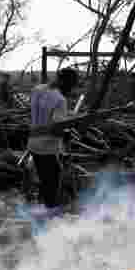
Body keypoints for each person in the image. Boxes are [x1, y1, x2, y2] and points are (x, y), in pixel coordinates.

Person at [28, 68, 80, 210]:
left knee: (44, 179)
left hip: (32, 144)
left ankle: (40, 206)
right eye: (70, 85)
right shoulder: (60, 100)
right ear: (64, 82)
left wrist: (67, 116)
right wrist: (67, 133)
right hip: (47, 148)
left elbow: (41, 111)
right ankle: (48, 213)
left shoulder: (37, 90)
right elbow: (57, 129)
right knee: (51, 183)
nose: (71, 89)